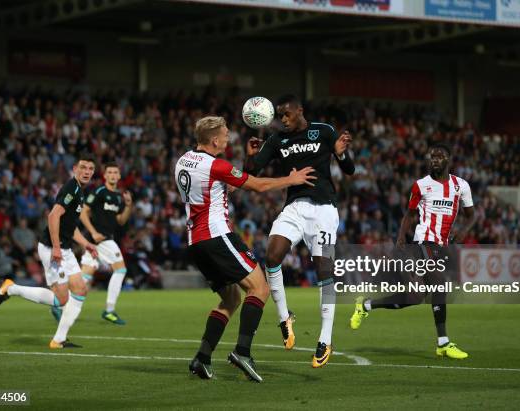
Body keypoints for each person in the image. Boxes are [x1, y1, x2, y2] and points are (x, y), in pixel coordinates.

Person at [176, 116, 315, 382]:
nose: (229, 138)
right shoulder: (216, 165)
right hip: (217, 236)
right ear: (215, 140)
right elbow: (257, 186)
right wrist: (291, 178)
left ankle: (202, 358)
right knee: (259, 289)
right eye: (226, 134)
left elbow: (222, 184)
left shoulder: (184, 160)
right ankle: (243, 352)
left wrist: (246, 165)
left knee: (231, 299)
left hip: (196, 241)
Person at [244, 94, 354, 367]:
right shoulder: (277, 140)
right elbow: (252, 173)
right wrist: (250, 157)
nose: (282, 119)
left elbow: (348, 169)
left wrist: (341, 153)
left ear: (299, 111)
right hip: (294, 207)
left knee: (324, 270)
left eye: (286, 114)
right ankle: (284, 317)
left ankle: (325, 338)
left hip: (324, 210)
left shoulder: (324, 131)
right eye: (279, 116)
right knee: (271, 256)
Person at [350, 143, 476, 359]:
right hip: (423, 242)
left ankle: (366, 305)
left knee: (415, 296)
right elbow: (409, 214)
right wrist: (401, 237)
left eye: (439, 156)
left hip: (442, 246)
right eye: (432, 156)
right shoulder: (420, 185)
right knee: (439, 284)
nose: (434, 159)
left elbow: (471, 215)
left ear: (449, 159)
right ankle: (443, 343)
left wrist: (464, 232)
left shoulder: (461, 186)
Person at [0, 153, 98, 349]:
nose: (87, 172)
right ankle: (11, 288)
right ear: (75, 168)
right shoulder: (70, 189)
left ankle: (58, 340)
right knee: (60, 299)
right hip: (52, 247)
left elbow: (70, 225)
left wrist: (86, 243)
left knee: (81, 289)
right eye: (83, 167)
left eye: (90, 169)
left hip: (63, 248)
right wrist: (56, 247)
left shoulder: (79, 191)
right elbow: (53, 216)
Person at [50, 162, 133, 324]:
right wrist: (94, 232)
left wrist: (129, 205)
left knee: (84, 278)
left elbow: (121, 220)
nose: (113, 175)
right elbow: (83, 213)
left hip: (102, 240)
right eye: (109, 172)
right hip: (101, 239)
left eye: (115, 172)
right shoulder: (99, 191)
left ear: (119, 176)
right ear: (105, 175)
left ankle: (58, 305)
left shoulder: (118, 197)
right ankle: (109, 310)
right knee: (121, 270)